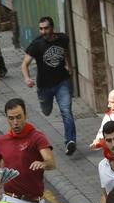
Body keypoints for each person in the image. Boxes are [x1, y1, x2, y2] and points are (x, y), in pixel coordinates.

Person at [21, 16, 76, 155]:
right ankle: (45, 105)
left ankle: (70, 141)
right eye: (41, 29)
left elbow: (65, 52)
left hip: (62, 82)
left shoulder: (63, 39)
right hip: (44, 87)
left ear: (52, 28)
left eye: (46, 28)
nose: (43, 31)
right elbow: (24, 64)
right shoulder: (37, 44)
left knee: (66, 112)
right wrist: (27, 78)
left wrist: (69, 65)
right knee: (46, 111)